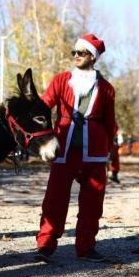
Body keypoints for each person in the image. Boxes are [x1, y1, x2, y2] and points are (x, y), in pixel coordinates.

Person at [36, 34, 117, 263]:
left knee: (93, 202)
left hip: (94, 153)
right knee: (54, 199)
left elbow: (110, 124)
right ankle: (45, 246)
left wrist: (110, 154)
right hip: (64, 149)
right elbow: (44, 107)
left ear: (92, 56)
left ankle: (86, 248)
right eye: (74, 52)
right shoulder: (61, 80)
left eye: (81, 53)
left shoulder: (107, 89)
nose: (76, 56)